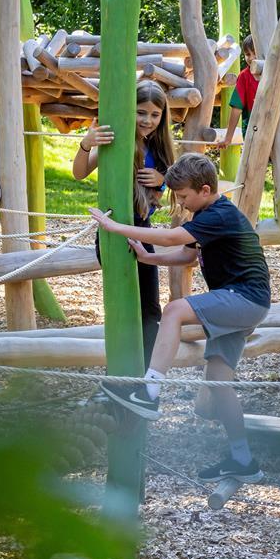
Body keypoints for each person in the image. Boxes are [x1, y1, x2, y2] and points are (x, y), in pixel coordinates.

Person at [89, 154, 272, 483]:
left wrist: (114, 227)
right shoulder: (208, 214)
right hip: (244, 302)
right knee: (218, 381)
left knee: (174, 309)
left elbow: (175, 238)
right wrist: (149, 257)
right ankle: (244, 460)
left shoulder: (220, 214)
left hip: (243, 298)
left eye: (185, 197)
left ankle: (150, 393)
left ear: (204, 190)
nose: (182, 204)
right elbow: (188, 254)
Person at [73, 79, 175, 367]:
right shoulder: (117, 139)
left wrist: (163, 180)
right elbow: (79, 172)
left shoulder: (158, 146)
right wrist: (85, 144)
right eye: (141, 112)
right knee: (124, 307)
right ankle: (123, 374)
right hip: (113, 232)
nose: (148, 120)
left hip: (143, 232)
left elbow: (182, 187)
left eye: (155, 115)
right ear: (130, 110)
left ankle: (145, 375)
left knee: (151, 309)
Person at [218, 34, 280, 149]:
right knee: (254, 165)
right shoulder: (244, 77)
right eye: (247, 54)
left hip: (278, 128)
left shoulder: (278, 72)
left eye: (254, 53)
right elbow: (236, 109)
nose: (251, 58)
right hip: (254, 131)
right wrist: (228, 138)